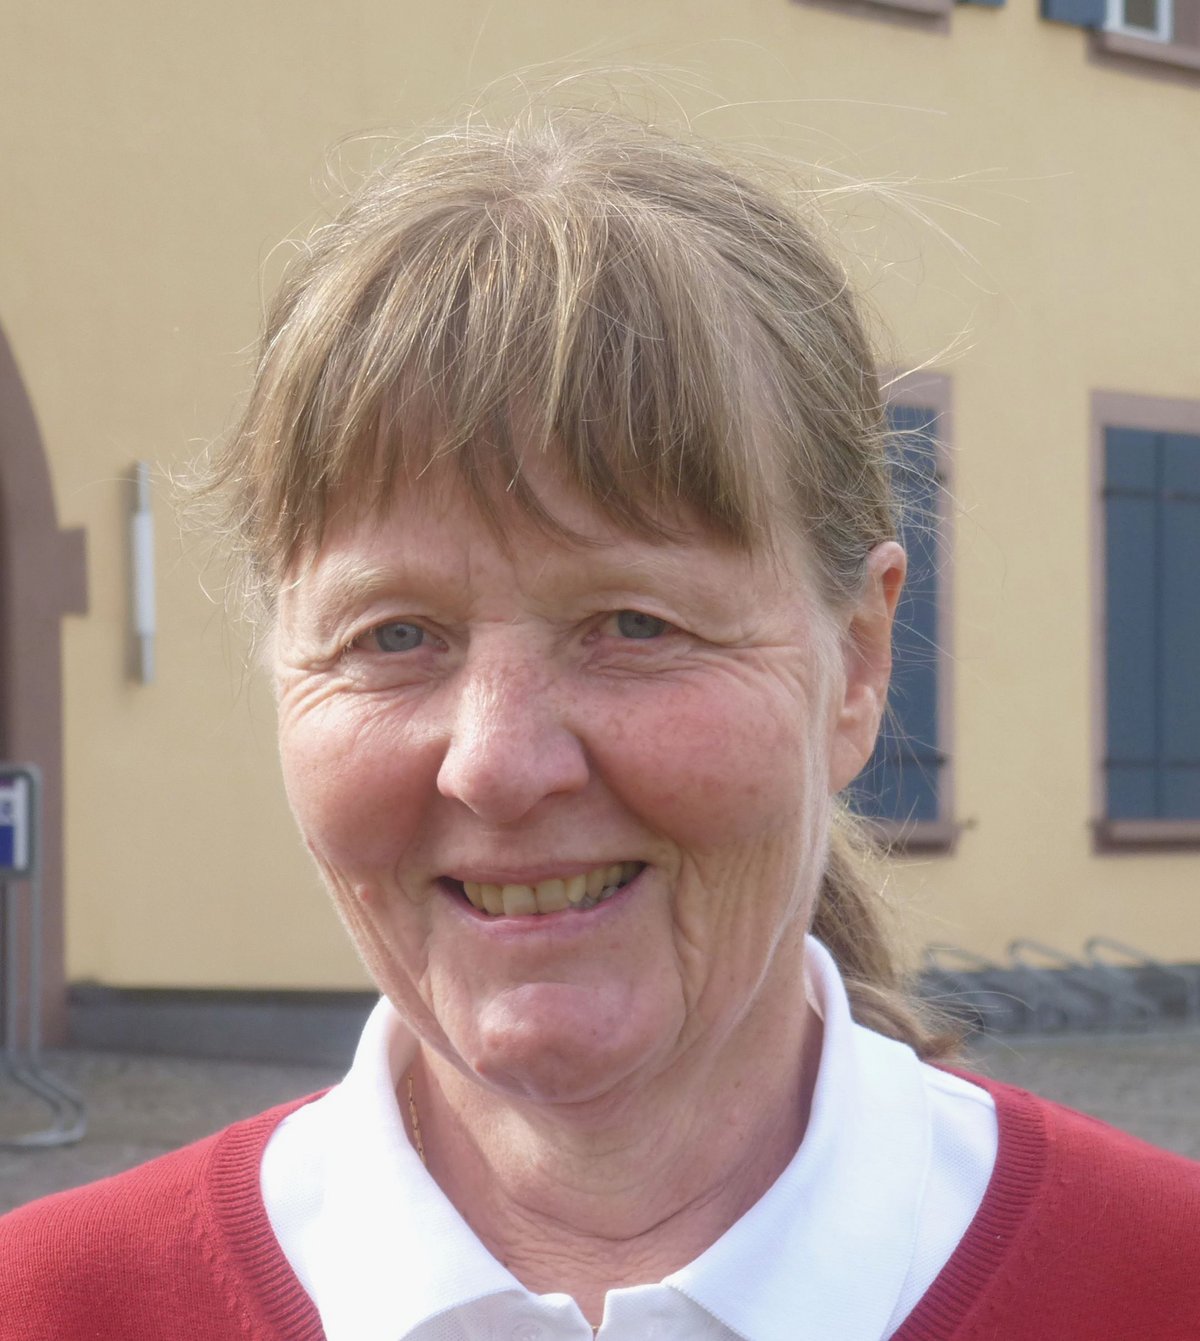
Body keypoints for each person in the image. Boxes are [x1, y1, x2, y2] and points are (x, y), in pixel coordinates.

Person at [2, 105, 1198, 1341]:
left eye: (634, 624)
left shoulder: (1162, 1285)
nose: (498, 764)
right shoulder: (54, 1309)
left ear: (857, 661)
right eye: (395, 637)